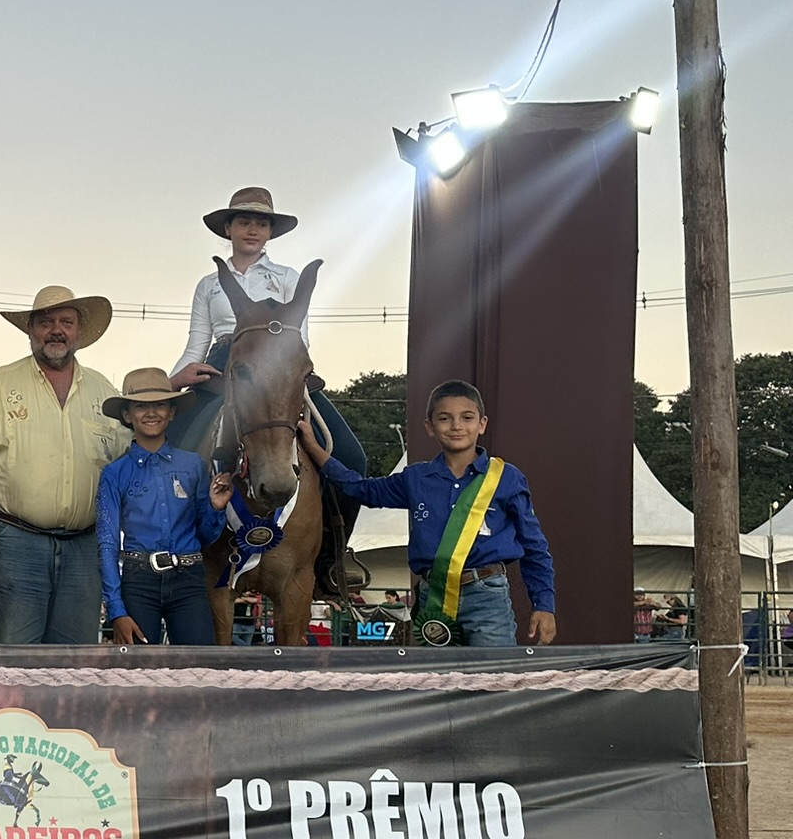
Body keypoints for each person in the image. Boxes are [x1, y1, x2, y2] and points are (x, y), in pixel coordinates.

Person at [167, 186, 366, 590]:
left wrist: (292, 373)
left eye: (261, 223)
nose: (252, 229)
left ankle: (332, 556)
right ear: (228, 228)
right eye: (244, 221)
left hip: (281, 368)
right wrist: (171, 383)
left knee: (351, 456)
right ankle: (176, 549)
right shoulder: (209, 284)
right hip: (223, 369)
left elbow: (300, 337)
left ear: (270, 232)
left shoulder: (288, 277)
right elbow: (196, 342)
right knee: (174, 451)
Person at [299, 380, 556, 646]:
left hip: (487, 596)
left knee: (493, 671)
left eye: (467, 417)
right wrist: (315, 449)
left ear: (482, 424)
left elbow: (534, 546)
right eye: (444, 418)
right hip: (433, 596)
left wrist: (544, 605)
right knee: (434, 672)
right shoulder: (415, 478)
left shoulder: (506, 478)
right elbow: (362, 489)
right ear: (430, 427)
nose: (456, 425)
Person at [0, 284, 127, 645]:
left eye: (66, 321)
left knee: (75, 662)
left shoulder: (104, 391)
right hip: (16, 543)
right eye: (46, 322)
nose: (56, 330)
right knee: (13, 659)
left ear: (78, 330)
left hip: (85, 547)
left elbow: (126, 469)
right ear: (31, 330)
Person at [95, 368, 232, 646]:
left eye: (159, 405)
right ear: (126, 415)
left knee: (198, 664)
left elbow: (205, 535)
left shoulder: (193, 465)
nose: (151, 413)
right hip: (138, 580)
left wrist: (216, 509)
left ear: (172, 412)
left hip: (189, 579)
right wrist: (117, 609)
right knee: (138, 667)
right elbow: (107, 543)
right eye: (140, 406)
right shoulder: (114, 474)